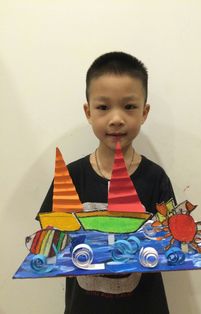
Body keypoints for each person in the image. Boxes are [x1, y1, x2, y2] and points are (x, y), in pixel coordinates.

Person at [38, 52, 176, 314]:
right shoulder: (72, 176)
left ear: (144, 112)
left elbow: (172, 242)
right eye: (103, 107)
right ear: (88, 112)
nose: (116, 118)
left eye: (129, 106)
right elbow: (48, 242)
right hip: (84, 306)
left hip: (145, 305)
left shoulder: (155, 177)